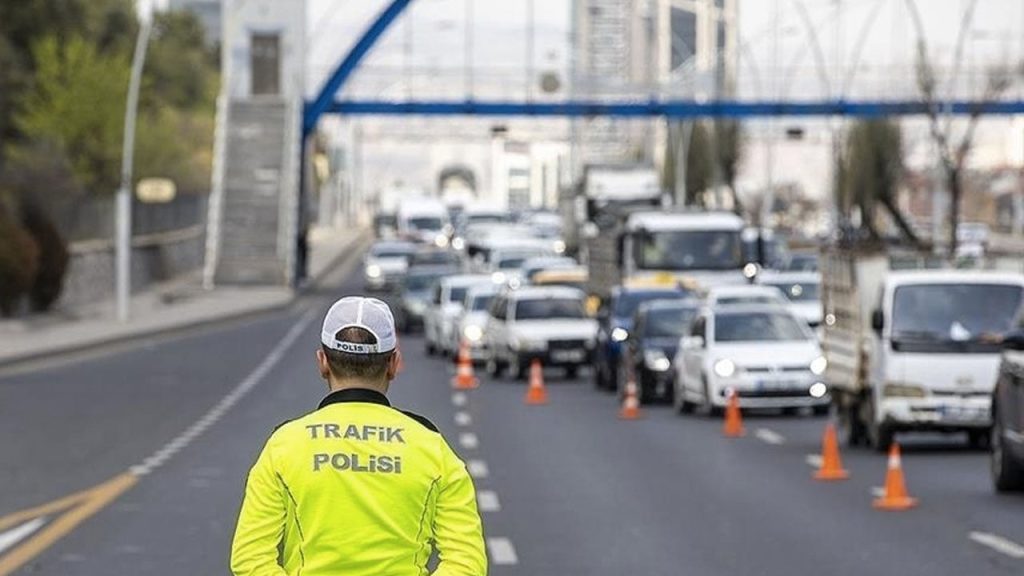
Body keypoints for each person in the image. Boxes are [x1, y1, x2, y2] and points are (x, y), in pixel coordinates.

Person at [230, 296, 488, 575]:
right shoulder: (432, 447)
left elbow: (250, 560)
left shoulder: (284, 445)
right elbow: (466, 563)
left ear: (323, 362)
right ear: (393, 364)